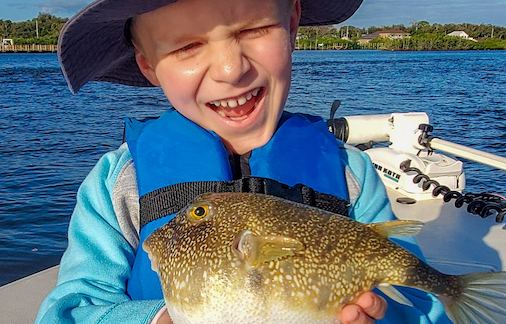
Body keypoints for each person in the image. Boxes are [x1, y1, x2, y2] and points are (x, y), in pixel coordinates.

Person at [36, 0, 450, 323]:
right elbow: (69, 311)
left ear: (291, 23)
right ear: (148, 63)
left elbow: (418, 301)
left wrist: (377, 317)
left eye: (254, 29)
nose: (231, 69)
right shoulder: (119, 183)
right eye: (187, 46)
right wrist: (161, 319)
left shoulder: (352, 174)